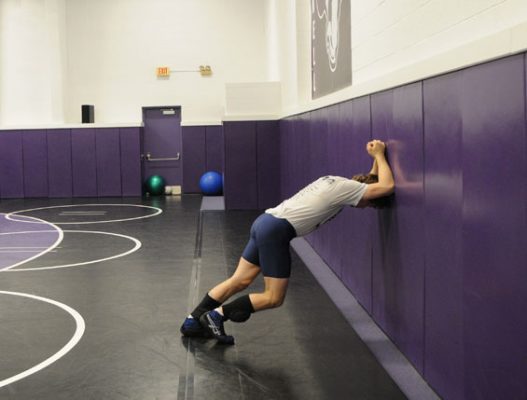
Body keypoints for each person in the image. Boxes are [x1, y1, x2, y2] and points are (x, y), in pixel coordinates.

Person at [180, 140, 395, 344]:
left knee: (239, 280)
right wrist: (378, 154)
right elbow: (386, 187)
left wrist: (377, 159)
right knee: (274, 297)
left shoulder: (339, 182)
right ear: (365, 193)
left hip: (264, 222)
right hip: (276, 231)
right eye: (369, 204)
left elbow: (372, 179)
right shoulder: (349, 190)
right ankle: (217, 315)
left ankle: (192, 321)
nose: (365, 207)